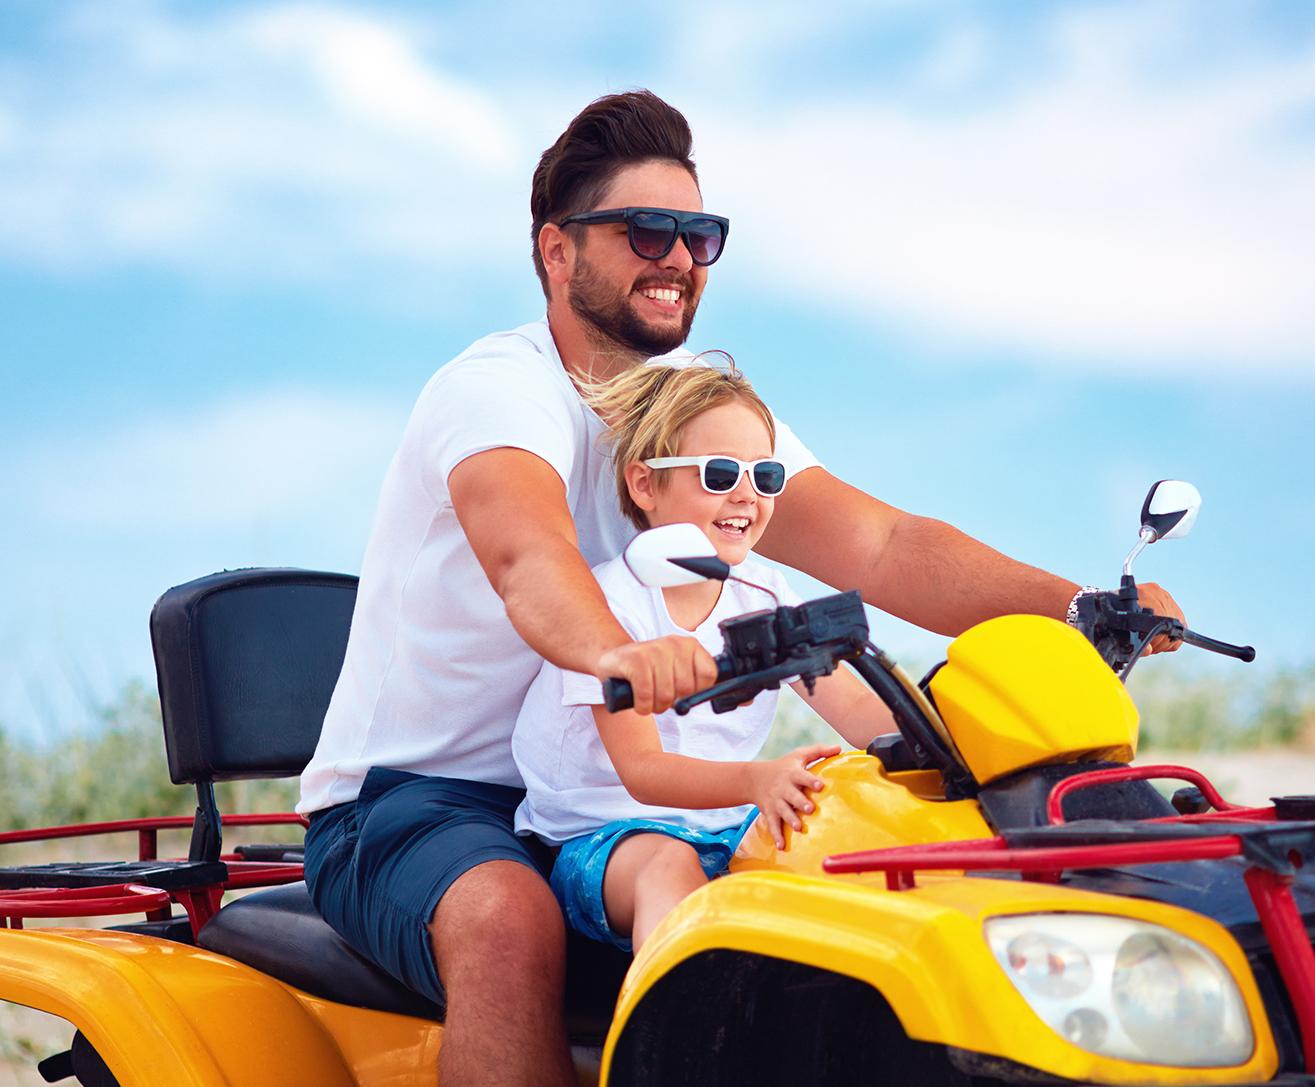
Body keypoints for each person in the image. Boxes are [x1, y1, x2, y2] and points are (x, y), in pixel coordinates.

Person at [295, 88, 1186, 1086]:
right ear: (556, 252)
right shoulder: (498, 391)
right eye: (644, 231)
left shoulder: (697, 425)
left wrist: (1080, 609)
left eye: (698, 234)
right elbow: (526, 553)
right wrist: (618, 653)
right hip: (420, 803)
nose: (676, 257)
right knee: (508, 917)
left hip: (616, 797)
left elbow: (884, 544)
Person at [513, 361, 894, 956]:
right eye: (719, 474)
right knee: (670, 863)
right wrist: (755, 779)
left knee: (851, 852)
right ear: (644, 485)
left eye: (765, 475)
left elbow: (857, 706)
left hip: (727, 822)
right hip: (605, 835)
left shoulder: (765, 595)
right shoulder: (606, 608)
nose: (747, 494)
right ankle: (672, 1037)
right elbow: (642, 772)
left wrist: (949, 745)